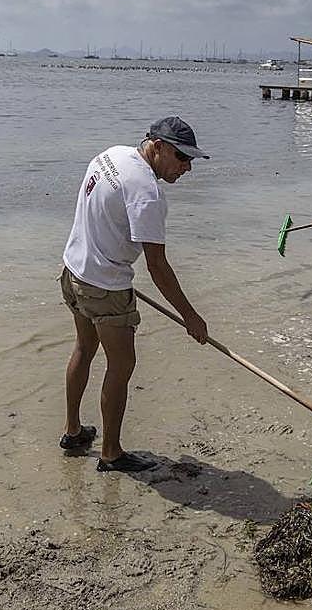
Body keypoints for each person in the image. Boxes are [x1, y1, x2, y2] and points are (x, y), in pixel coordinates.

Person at [59, 116, 209, 473]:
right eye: (181, 158)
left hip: (74, 270)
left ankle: (73, 432)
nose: (186, 168)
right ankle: (110, 453)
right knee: (122, 364)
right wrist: (191, 317)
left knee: (84, 348)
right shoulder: (148, 194)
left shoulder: (111, 155)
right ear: (157, 147)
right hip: (106, 287)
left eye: (190, 160)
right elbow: (158, 267)